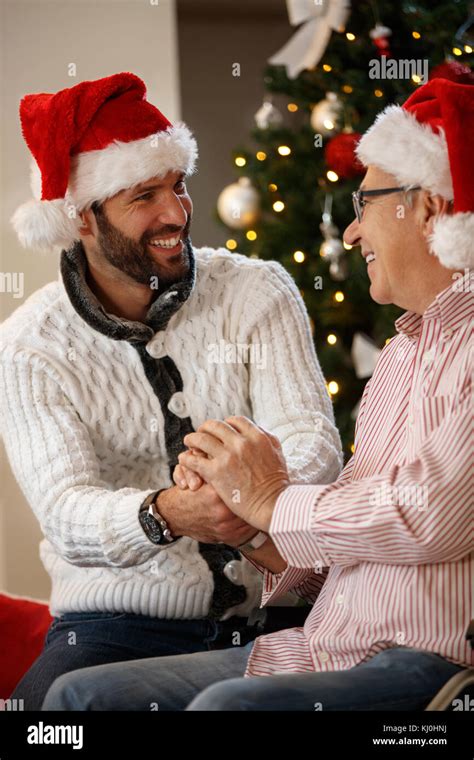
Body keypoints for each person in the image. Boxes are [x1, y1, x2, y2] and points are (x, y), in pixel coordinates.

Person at [42, 76, 473, 712]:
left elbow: (429, 517)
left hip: (427, 660)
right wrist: (246, 524)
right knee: (80, 697)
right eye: (145, 194)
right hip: (324, 643)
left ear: (430, 209)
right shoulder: (406, 350)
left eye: (364, 205)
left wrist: (272, 497)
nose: (352, 235)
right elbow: (351, 525)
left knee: (226, 709)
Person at [0, 72, 343, 710]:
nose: (176, 213)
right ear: (80, 217)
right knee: (47, 713)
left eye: (177, 185)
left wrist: (245, 494)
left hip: (280, 611)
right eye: (143, 195)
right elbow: (67, 511)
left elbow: (313, 443)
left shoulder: (258, 292)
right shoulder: (27, 346)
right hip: (115, 628)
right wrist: (165, 512)